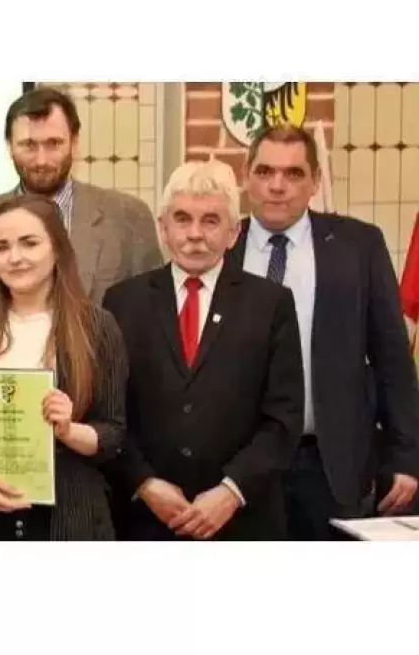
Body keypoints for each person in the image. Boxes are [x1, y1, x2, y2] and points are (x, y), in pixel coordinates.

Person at [227, 124, 419, 538]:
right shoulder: (221, 247)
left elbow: (392, 358)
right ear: (246, 176)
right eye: (265, 171)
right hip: (238, 469)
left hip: (331, 465)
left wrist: (407, 456)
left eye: (294, 173)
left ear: (315, 181)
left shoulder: (359, 245)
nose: (277, 186)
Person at [102, 159, 304, 541]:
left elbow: (283, 418)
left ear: (234, 232)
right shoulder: (122, 302)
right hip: (145, 520)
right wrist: (144, 483)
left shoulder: (271, 304)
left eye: (210, 220)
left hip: (242, 521)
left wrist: (230, 492)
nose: (194, 234)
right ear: (163, 228)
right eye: (182, 219)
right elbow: (108, 411)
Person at [0, 194, 128, 540]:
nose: (15, 257)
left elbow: (113, 433)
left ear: (57, 249)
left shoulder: (96, 327)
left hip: (67, 519)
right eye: (2, 247)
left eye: (29, 243)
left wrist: (68, 430)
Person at [0, 86, 162, 302]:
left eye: (53, 144)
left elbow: (152, 310)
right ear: (10, 147)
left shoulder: (128, 219)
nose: (41, 160)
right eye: (29, 145)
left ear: (75, 143)